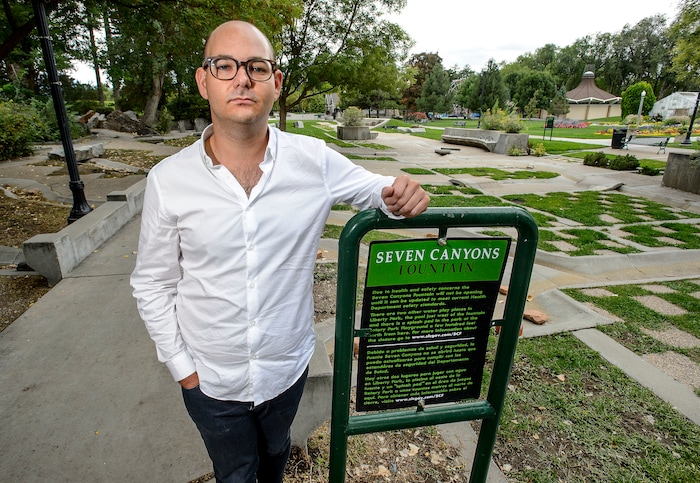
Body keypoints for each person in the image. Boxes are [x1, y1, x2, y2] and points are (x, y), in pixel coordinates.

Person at [130, 20, 429, 483]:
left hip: (286, 371)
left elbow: (378, 191)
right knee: (235, 473)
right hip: (209, 379)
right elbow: (152, 282)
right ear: (203, 80)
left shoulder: (314, 161)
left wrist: (403, 191)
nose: (242, 78)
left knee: (274, 458)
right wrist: (183, 369)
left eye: (257, 66)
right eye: (224, 66)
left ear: (276, 82)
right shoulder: (169, 180)